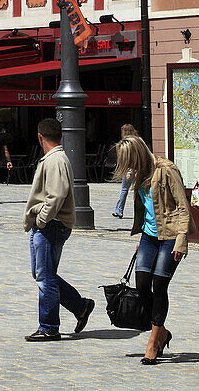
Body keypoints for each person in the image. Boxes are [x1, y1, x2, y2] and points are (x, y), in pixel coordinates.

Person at [113, 134, 195, 363]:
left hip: (170, 236)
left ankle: (153, 341)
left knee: (159, 285)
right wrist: (141, 235)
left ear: (137, 155)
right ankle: (162, 331)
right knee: (141, 286)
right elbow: (147, 211)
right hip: (149, 237)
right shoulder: (138, 175)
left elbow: (182, 205)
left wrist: (181, 240)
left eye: (129, 160)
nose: (127, 167)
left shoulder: (166, 170)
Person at [22, 117, 95, 342]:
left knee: (45, 278)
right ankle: (80, 306)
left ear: (40, 136)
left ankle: (49, 326)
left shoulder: (55, 161)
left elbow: (56, 195)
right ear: (61, 135)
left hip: (51, 225)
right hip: (49, 224)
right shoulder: (56, 159)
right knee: (44, 274)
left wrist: (42, 220)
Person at [111, 123, 138, 219]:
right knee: (138, 191)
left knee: (124, 190)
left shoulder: (128, 144)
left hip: (130, 169)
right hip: (136, 169)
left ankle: (119, 210)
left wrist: (129, 171)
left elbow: (131, 158)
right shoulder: (136, 141)